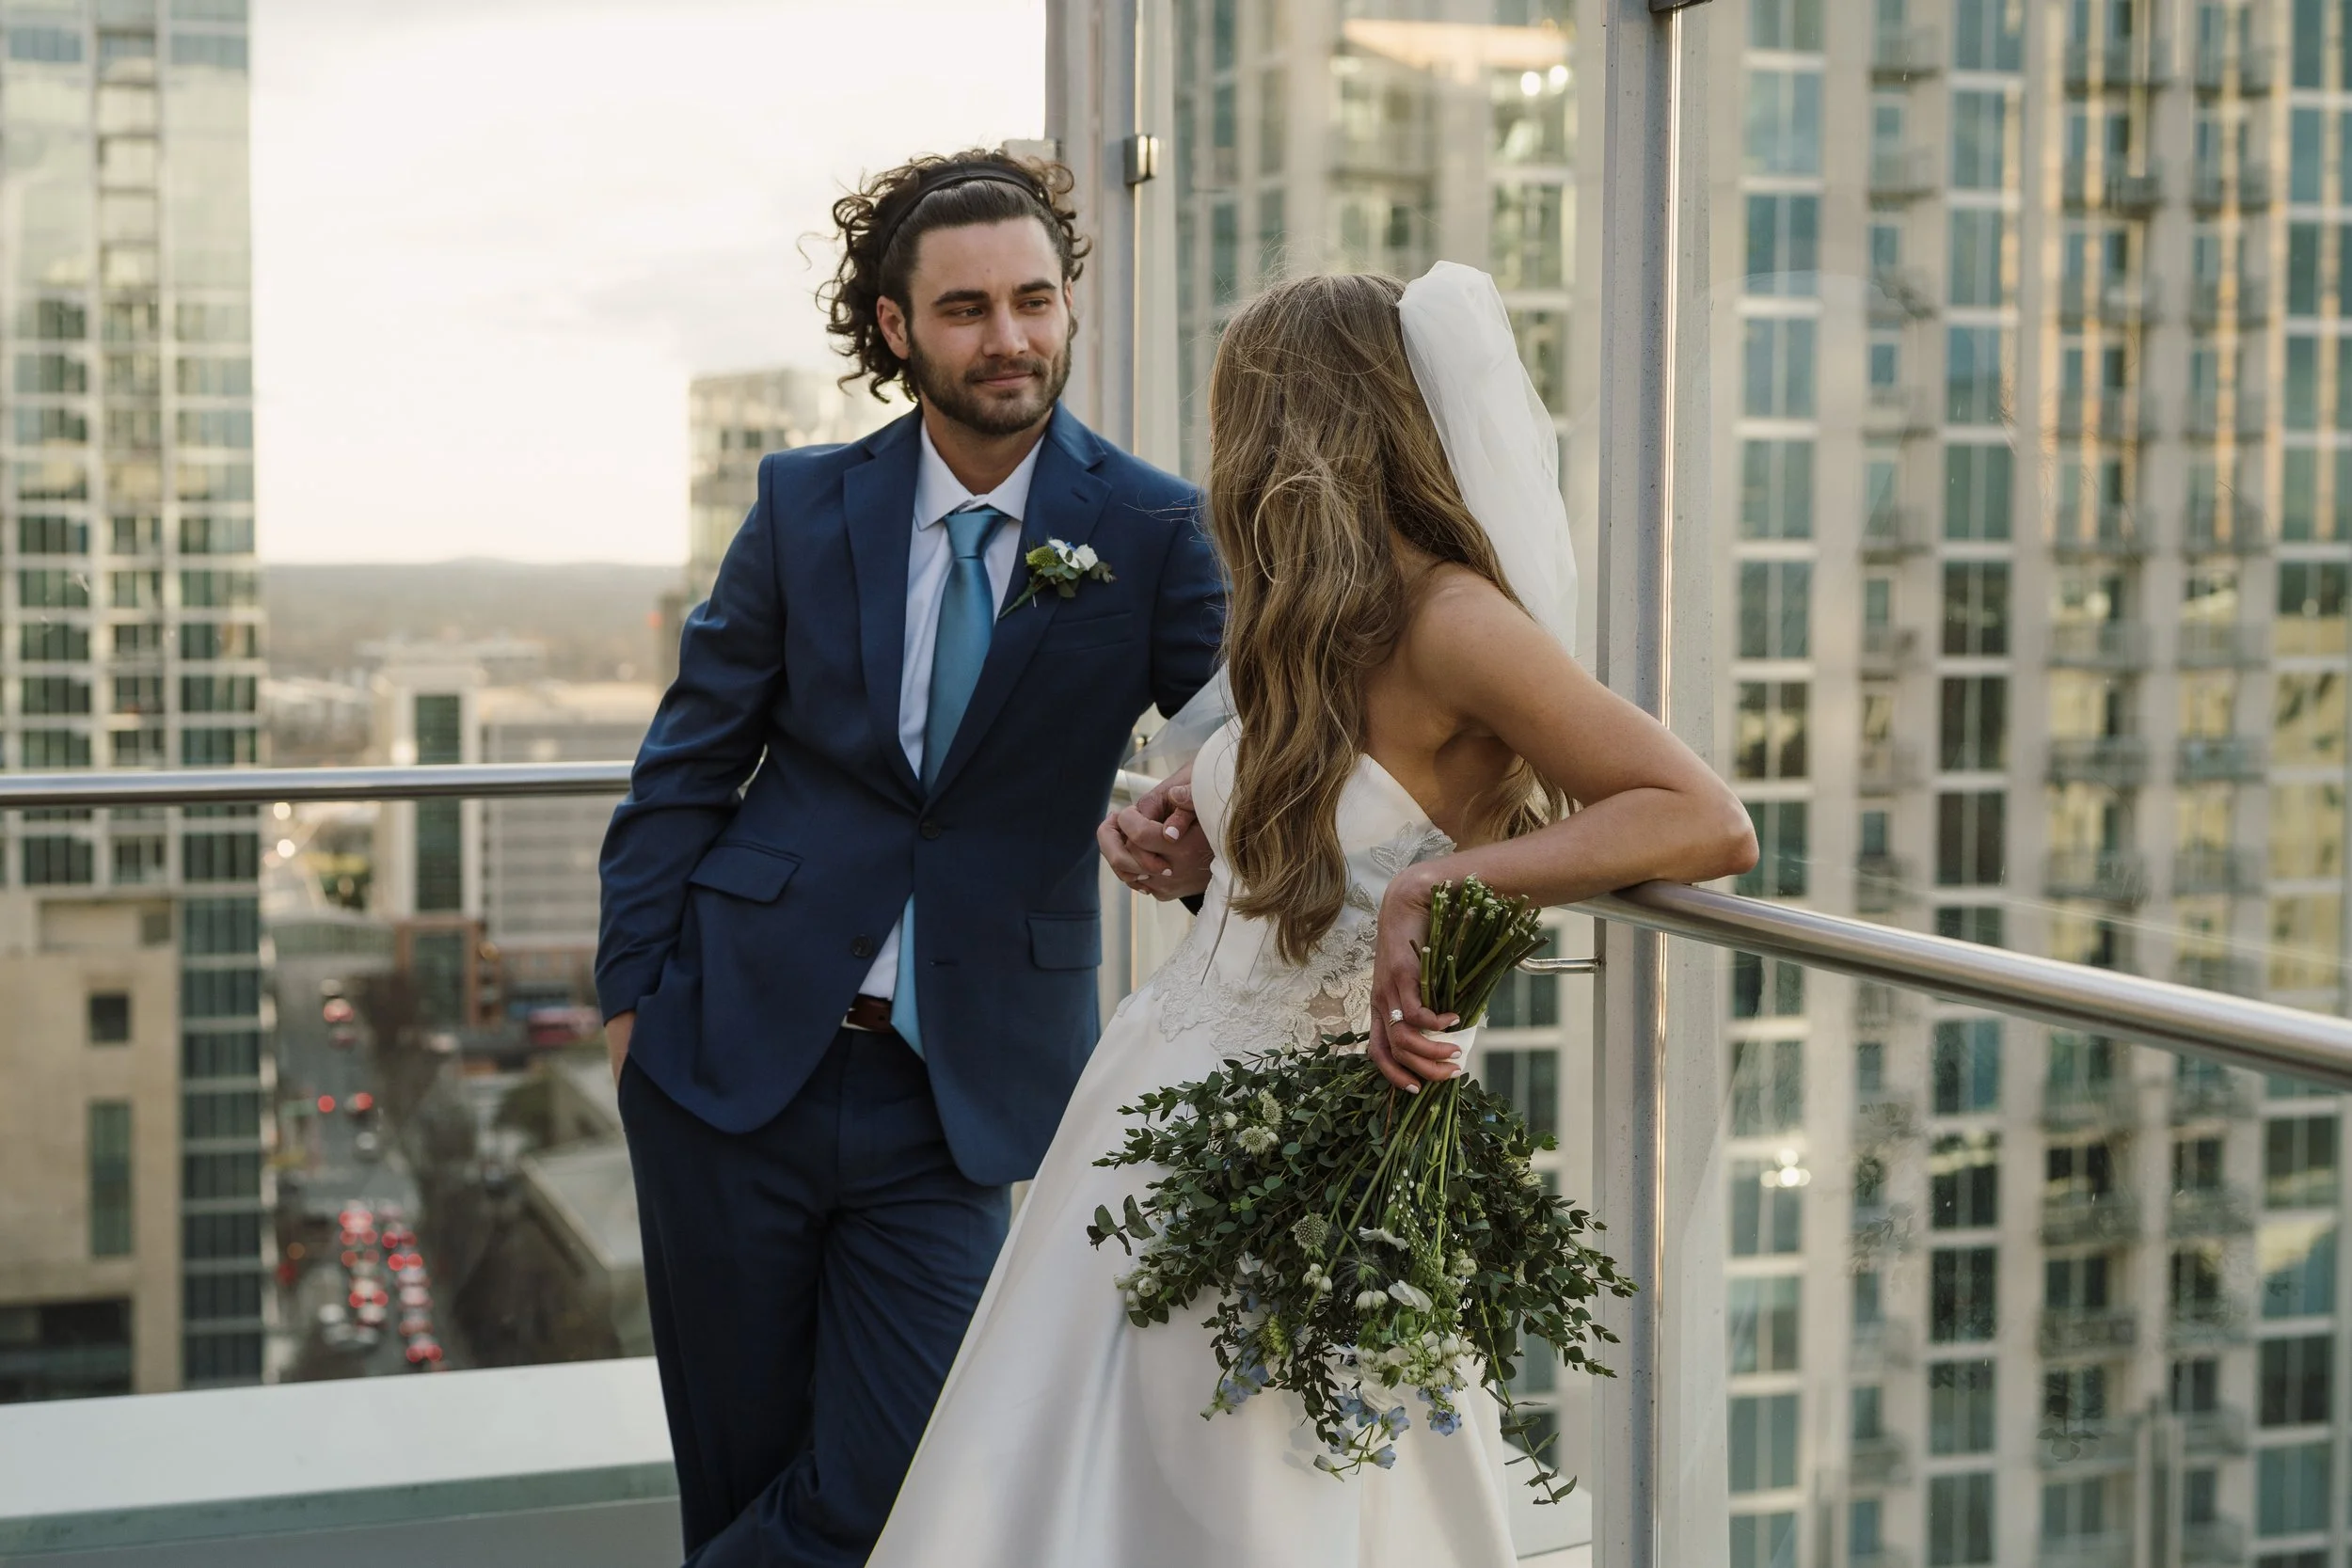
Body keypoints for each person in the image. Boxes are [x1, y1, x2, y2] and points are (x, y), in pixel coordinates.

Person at [867, 265, 1756, 1566]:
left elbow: (1702, 814)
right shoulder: (1305, 613)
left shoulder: (1457, 618)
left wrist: (1440, 884)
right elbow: (1292, 856)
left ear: (1308, 424)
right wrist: (1184, 827)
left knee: (1259, 1502)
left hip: (1301, 1154)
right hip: (1151, 1103)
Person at [594, 150, 1223, 1566]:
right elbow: (686, 764)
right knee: (739, 1465)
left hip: (960, 1098)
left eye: (1034, 301)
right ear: (896, 328)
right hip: (727, 1056)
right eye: (965, 310)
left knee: (904, 1489)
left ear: (1068, 309)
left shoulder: (1150, 527)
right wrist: (633, 1000)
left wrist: (1182, 838)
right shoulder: (806, 503)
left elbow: (1243, 768)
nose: (1009, 338)